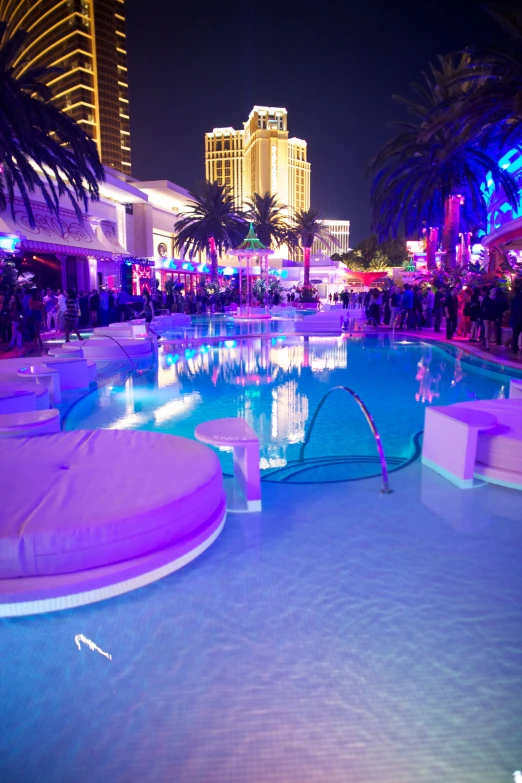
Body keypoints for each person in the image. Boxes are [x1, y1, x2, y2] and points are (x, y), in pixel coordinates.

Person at [510, 285, 522, 354]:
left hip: (515, 319)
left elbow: (512, 309)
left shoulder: (514, 298)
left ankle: (514, 348)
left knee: (515, 334)